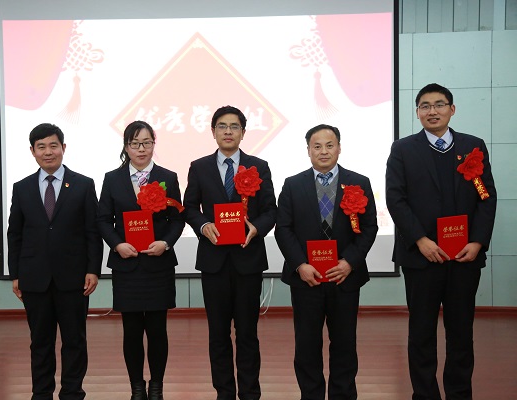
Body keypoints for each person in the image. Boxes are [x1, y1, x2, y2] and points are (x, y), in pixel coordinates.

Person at [386, 83, 497, 400]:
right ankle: (424, 395)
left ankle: (459, 393)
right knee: (421, 332)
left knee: (461, 332)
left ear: (452, 109)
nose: (432, 111)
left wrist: (477, 242)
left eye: (439, 104)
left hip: (464, 257)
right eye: (425, 106)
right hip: (421, 258)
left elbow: (486, 197)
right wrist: (420, 240)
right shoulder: (403, 149)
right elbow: (396, 199)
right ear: (417, 112)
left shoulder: (473, 146)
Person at [274, 124, 378, 400]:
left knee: (344, 343)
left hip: (344, 277)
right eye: (317, 146)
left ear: (339, 148)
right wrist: (300, 264)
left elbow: (369, 227)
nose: (323, 151)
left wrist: (350, 262)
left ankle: (343, 394)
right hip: (306, 279)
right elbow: (283, 228)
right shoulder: (293, 184)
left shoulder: (359, 182)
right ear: (308, 150)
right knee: (306, 345)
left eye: (329, 145)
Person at [183, 105, 277, 400]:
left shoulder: (258, 166)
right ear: (213, 131)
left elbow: (271, 210)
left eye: (234, 126)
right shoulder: (199, 167)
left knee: (248, 333)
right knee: (218, 333)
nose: (228, 131)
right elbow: (189, 207)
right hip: (214, 262)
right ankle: (224, 392)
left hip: (248, 260)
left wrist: (256, 228)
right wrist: (203, 225)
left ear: (243, 132)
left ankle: (250, 393)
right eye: (222, 126)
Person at [7, 123, 103, 400]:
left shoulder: (83, 184)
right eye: (41, 147)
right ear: (32, 151)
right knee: (40, 341)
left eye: (53, 145)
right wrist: (16, 274)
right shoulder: (22, 188)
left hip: (73, 277)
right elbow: (15, 234)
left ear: (63, 148)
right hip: (34, 277)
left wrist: (93, 269)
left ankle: (72, 392)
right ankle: (41, 393)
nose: (48, 152)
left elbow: (92, 232)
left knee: (74, 340)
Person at [97, 120, 185, 400]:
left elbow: (178, 218)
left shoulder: (167, 177)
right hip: (127, 265)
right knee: (132, 330)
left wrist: (165, 243)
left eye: (147, 143)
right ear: (126, 147)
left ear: (153, 144)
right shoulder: (113, 179)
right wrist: (117, 244)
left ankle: (156, 386)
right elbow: (103, 219)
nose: (141, 149)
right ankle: (137, 387)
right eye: (135, 143)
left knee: (158, 330)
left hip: (158, 264)